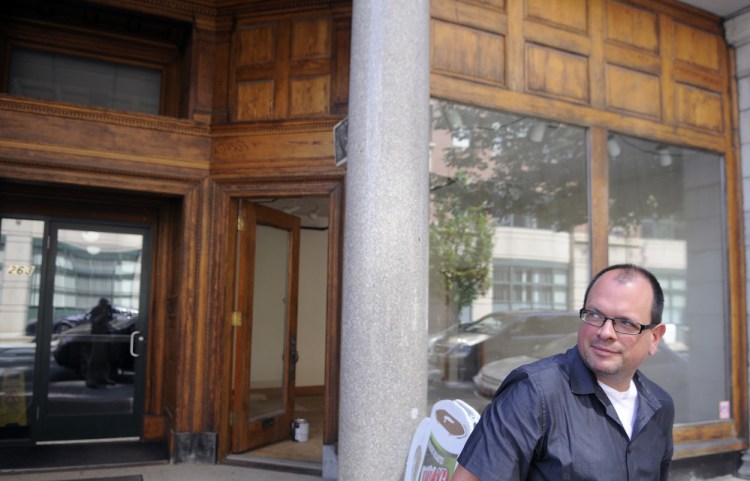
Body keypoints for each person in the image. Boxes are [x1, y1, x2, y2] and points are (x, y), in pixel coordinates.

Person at [451, 264, 674, 481]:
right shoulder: (533, 394)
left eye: (625, 322)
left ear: (654, 338)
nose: (606, 332)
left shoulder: (660, 406)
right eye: (595, 315)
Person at [86, 297, 115, 388]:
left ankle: (103, 377)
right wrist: (102, 314)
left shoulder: (106, 310)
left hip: (105, 335)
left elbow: (109, 320)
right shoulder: (96, 310)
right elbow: (94, 321)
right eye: (104, 304)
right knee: (95, 357)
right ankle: (91, 379)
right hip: (97, 336)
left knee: (104, 358)